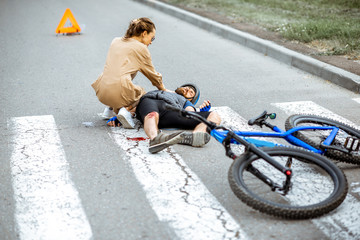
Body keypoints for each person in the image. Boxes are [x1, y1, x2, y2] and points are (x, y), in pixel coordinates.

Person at [92, 17, 171, 129]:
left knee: (121, 72)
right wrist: (164, 90)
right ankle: (126, 110)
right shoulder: (141, 48)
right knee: (143, 95)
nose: (151, 42)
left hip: (101, 92)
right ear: (144, 33)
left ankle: (109, 109)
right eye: (152, 38)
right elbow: (153, 76)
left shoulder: (115, 41)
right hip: (118, 91)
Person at [109, 84, 221, 154]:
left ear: (191, 99)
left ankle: (198, 135)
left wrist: (199, 114)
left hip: (172, 111)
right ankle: (155, 138)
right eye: (187, 87)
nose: (188, 89)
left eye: (191, 92)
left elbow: (189, 111)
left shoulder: (185, 101)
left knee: (214, 115)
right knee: (152, 115)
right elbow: (135, 104)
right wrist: (124, 116)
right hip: (150, 102)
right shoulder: (161, 90)